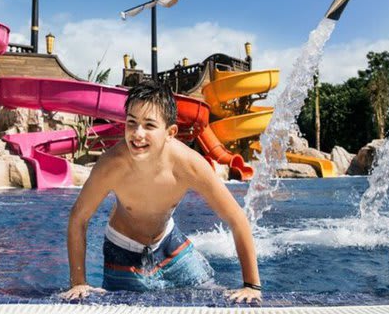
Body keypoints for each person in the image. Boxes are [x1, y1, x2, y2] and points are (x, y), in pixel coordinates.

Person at [62, 80, 261, 303]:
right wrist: (78, 282)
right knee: (126, 305)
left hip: (168, 241)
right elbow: (79, 217)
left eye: (149, 125)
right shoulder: (112, 166)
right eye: (131, 123)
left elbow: (236, 218)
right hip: (122, 250)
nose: (138, 134)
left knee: (212, 294)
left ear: (170, 132)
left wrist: (251, 285)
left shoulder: (189, 165)